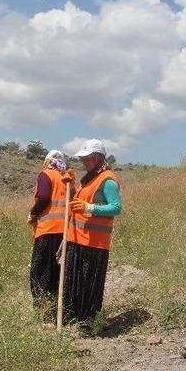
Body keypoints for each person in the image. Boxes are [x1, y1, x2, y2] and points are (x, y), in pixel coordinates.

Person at [64, 139, 122, 326]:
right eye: (82, 159)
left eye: (87, 159)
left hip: (94, 244)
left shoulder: (107, 180)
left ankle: (88, 322)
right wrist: (71, 185)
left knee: (89, 285)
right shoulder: (88, 180)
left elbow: (116, 207)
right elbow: (76, 205)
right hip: (76, 239)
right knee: (74, 284)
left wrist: (89, 207)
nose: (83, 162)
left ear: (98, 158)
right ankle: (72, 320)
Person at [27, 150, 73, 324]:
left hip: (48, 231)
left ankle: (44, 314)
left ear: (48, 161)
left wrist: (33, 213)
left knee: (39, 273)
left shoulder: (46, 175)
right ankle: (56, 312)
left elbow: (44, 197)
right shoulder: (68, 179)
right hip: (65, 233)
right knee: (56, 273)